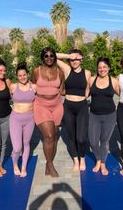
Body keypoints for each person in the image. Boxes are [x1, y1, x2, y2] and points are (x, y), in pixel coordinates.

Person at [56, 49, 91, 172]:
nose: (74, 61)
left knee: (81, 138)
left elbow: (88, 89)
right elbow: (52, 56)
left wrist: (85, 98)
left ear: (81, 59)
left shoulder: (87, 73)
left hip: (82, 106)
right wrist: (68, 55)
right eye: (72, 59)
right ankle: (76, 160)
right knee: (72, 136)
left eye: (77, 58)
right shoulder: (67, 70)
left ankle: (82, 158)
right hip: (68, 107)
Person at [32, 47, 65, 177]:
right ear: (42, 57)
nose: (49, 58)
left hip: (57, 106)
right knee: (49, 136)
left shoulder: (60, 72)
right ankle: (50, 165)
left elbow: (62, 89)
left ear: (55, 57)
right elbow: (32, 86)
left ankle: (48, 164)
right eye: (46, 56)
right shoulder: (36, 71)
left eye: (52, 55)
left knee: (55, 137)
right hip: (41, 105)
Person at [88, 57, 119, 176]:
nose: (102, 69)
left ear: (109, 68)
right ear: (97, 68)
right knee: (93, 142)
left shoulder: (114, 81)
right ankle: (98, 158)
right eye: (100, 67)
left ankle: (102, 163)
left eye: (104, 67)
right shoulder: (91, 80)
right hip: (94, 115)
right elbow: (83, 93)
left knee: (104, 141)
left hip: (110, 116)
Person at [9, 62, 36, 177]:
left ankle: (24, 166)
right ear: (17, 76)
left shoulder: (34, 87)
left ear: (27, 74)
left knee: (26, 143)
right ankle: (15, 164)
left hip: (30, 119)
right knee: (17, 147)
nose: (22, 77)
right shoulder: (13, 87)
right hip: (15, 119)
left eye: (24, 74)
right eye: (20, 75)